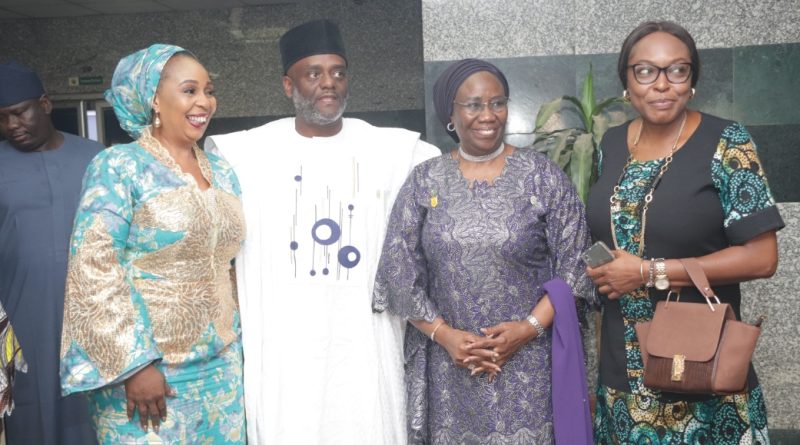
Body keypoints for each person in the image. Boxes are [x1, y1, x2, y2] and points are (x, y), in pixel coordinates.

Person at [204, 18, 440, 444]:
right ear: (288, 85)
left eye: (338, 72)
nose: (329, 83)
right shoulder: (245, 154)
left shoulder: (395, 151)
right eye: (313, 74)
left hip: (365, 345)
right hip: (286, 352)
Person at [372, 58, 595, 444]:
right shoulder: (425, 180)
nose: (488, 115)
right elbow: (398, 271)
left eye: (497, 103)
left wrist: (528, 329)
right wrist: (445, 336)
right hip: (450, 370)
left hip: (531, 368)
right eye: (473, 105)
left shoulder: (542, 176)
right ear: (450, 114)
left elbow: (577, 265)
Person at [586, 21, 784, 444]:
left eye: (677, 70)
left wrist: (647, 272)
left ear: (692, 79)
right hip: (623, 372)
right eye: (645, 71)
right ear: (626, 81)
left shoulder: (727, 142)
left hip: (699, 366)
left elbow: (762, 257)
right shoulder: (612, 143)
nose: (662, 84)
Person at [59, 44, 246, 444]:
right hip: (150, 373)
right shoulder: (119, 166)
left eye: (209, 91)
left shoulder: (222, 171)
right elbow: (94, 266)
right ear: (154, 100)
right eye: (189, 90)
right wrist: (135, 365)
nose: (204, 102)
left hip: (223, 370)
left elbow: (231, 265)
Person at [0, 60, 101, 445]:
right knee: (31, 414)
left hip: (95, 316)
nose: (11, 125)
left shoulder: (96, 158)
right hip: (22, 318)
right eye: (2, 119)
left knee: (94, 411)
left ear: (44, 104)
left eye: (19, 113)